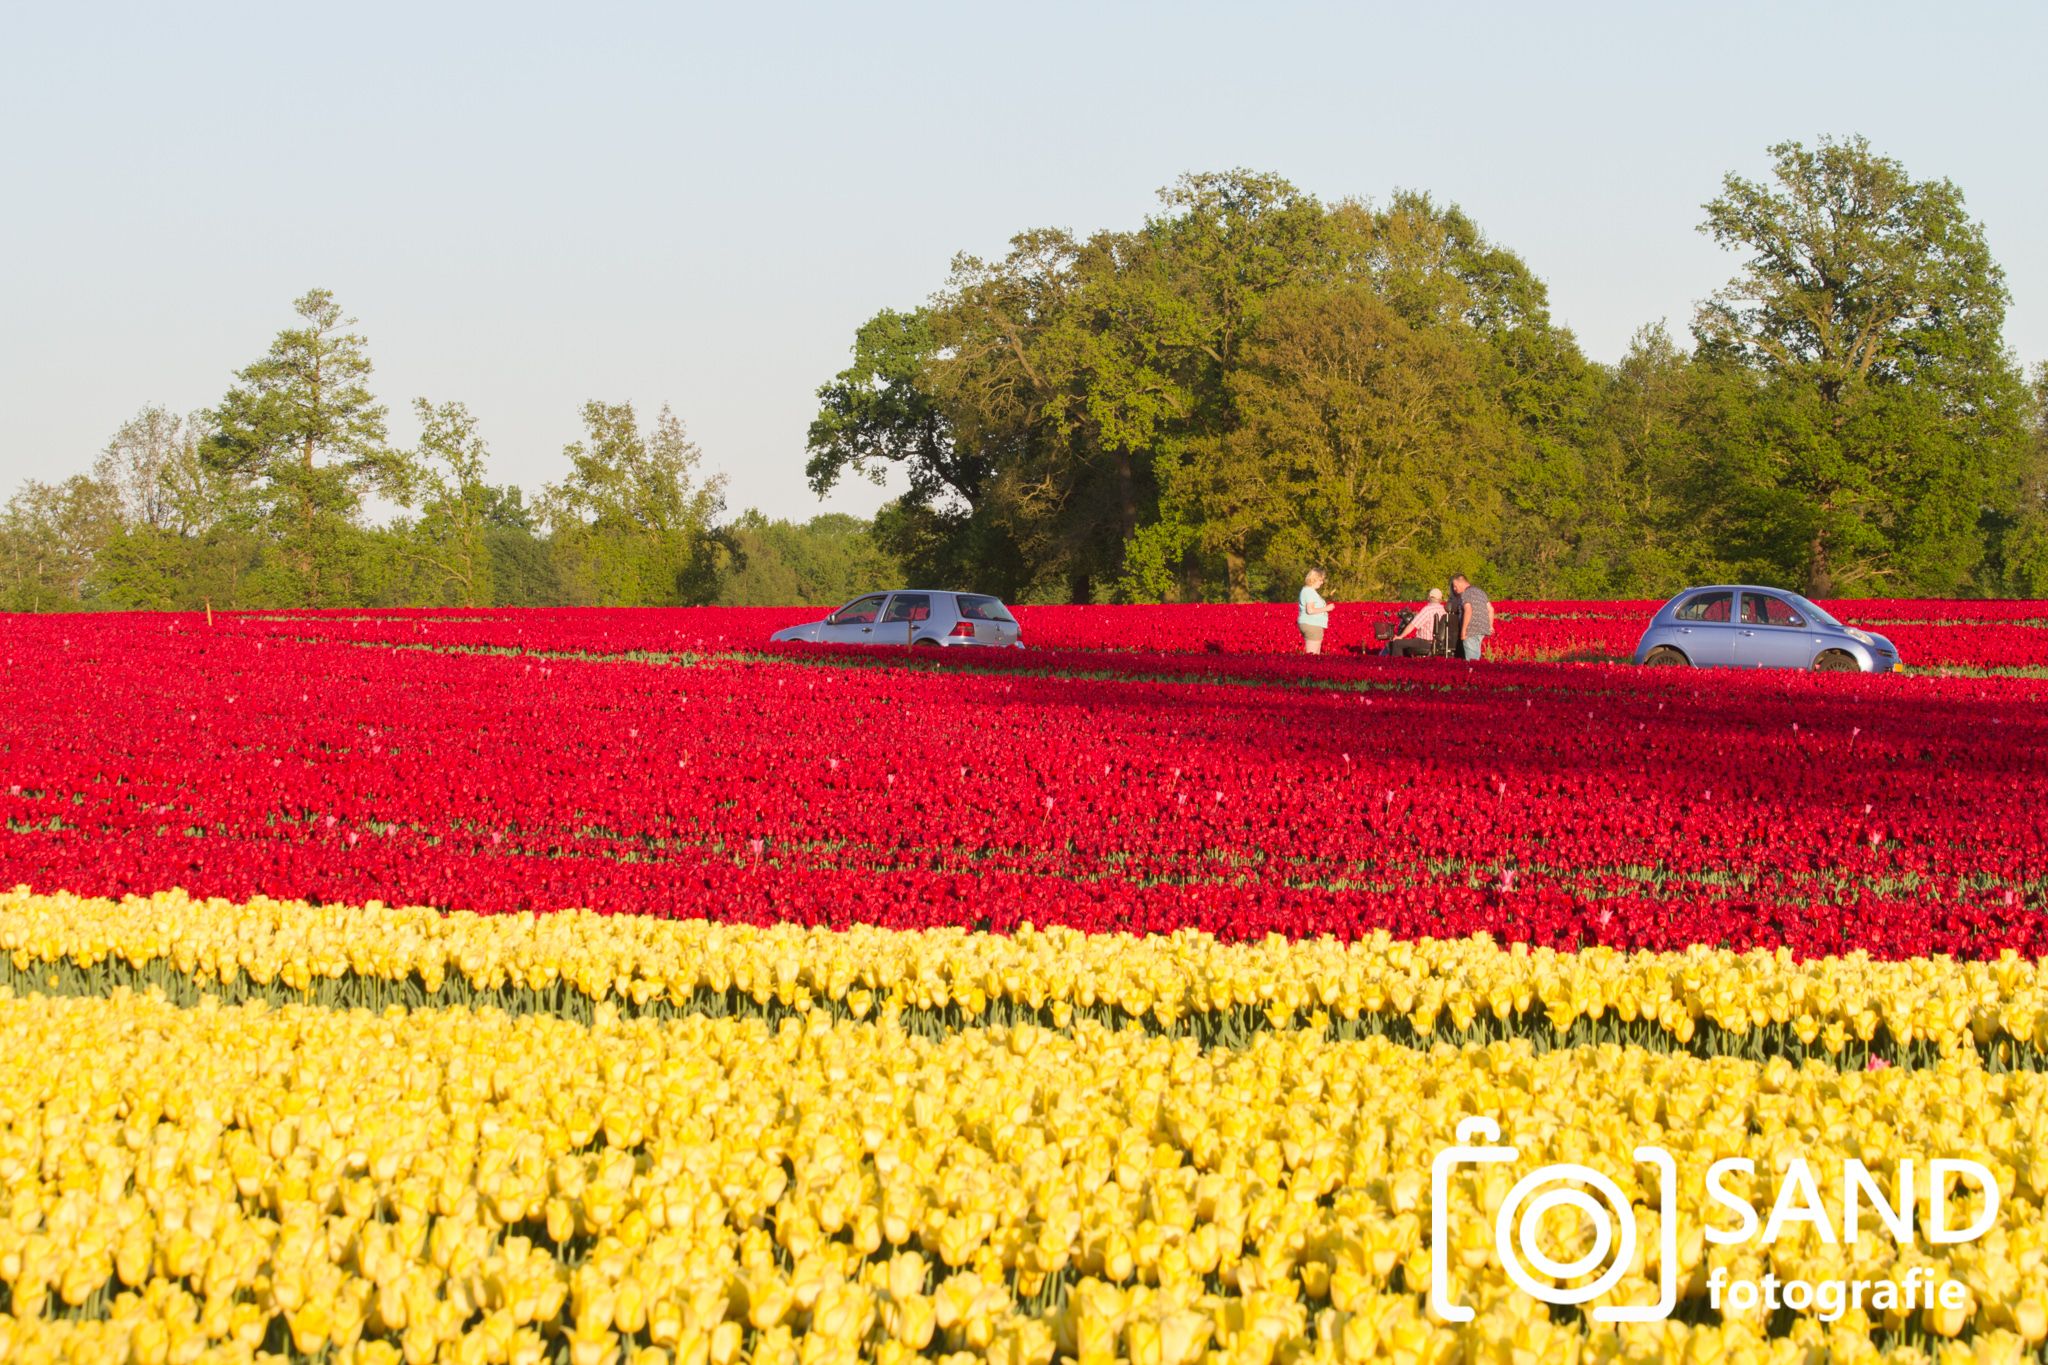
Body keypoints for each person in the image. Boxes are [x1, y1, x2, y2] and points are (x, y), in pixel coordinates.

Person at [1389, 588, 1446, 657]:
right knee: (1408, 643)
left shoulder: (1428, 609)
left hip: (1425, 642)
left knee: (1397, 643)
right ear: (1440, 599)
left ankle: (1398, 665)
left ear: (1429, 597)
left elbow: (1412, 625)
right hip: (1438, 643)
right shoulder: (1444, 609)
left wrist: (1400, 636)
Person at [1451, 573, 1492, 660]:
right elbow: (1491, 609)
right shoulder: (1481, 592)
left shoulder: (1465, 593)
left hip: (1471, 629)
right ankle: (1477, 672)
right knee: (1476, 655)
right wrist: (1490, 626)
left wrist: (1464, 630)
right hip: (1482, 629)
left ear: (1461, 582)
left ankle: (1472, 673)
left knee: (1471, 660)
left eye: (1455, 586)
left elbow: (1468, 610)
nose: (1454, 589)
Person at [1297, 569, 1333, 654]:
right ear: (1313, 579)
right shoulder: (1309, 591)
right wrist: (1326, 608)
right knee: (1312, 656)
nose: (1322, 582)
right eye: (1320, 580)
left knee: (1315, 656)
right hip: (1312, 625)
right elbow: (1310, 610)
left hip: (1310, 624)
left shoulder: (1307, 590)